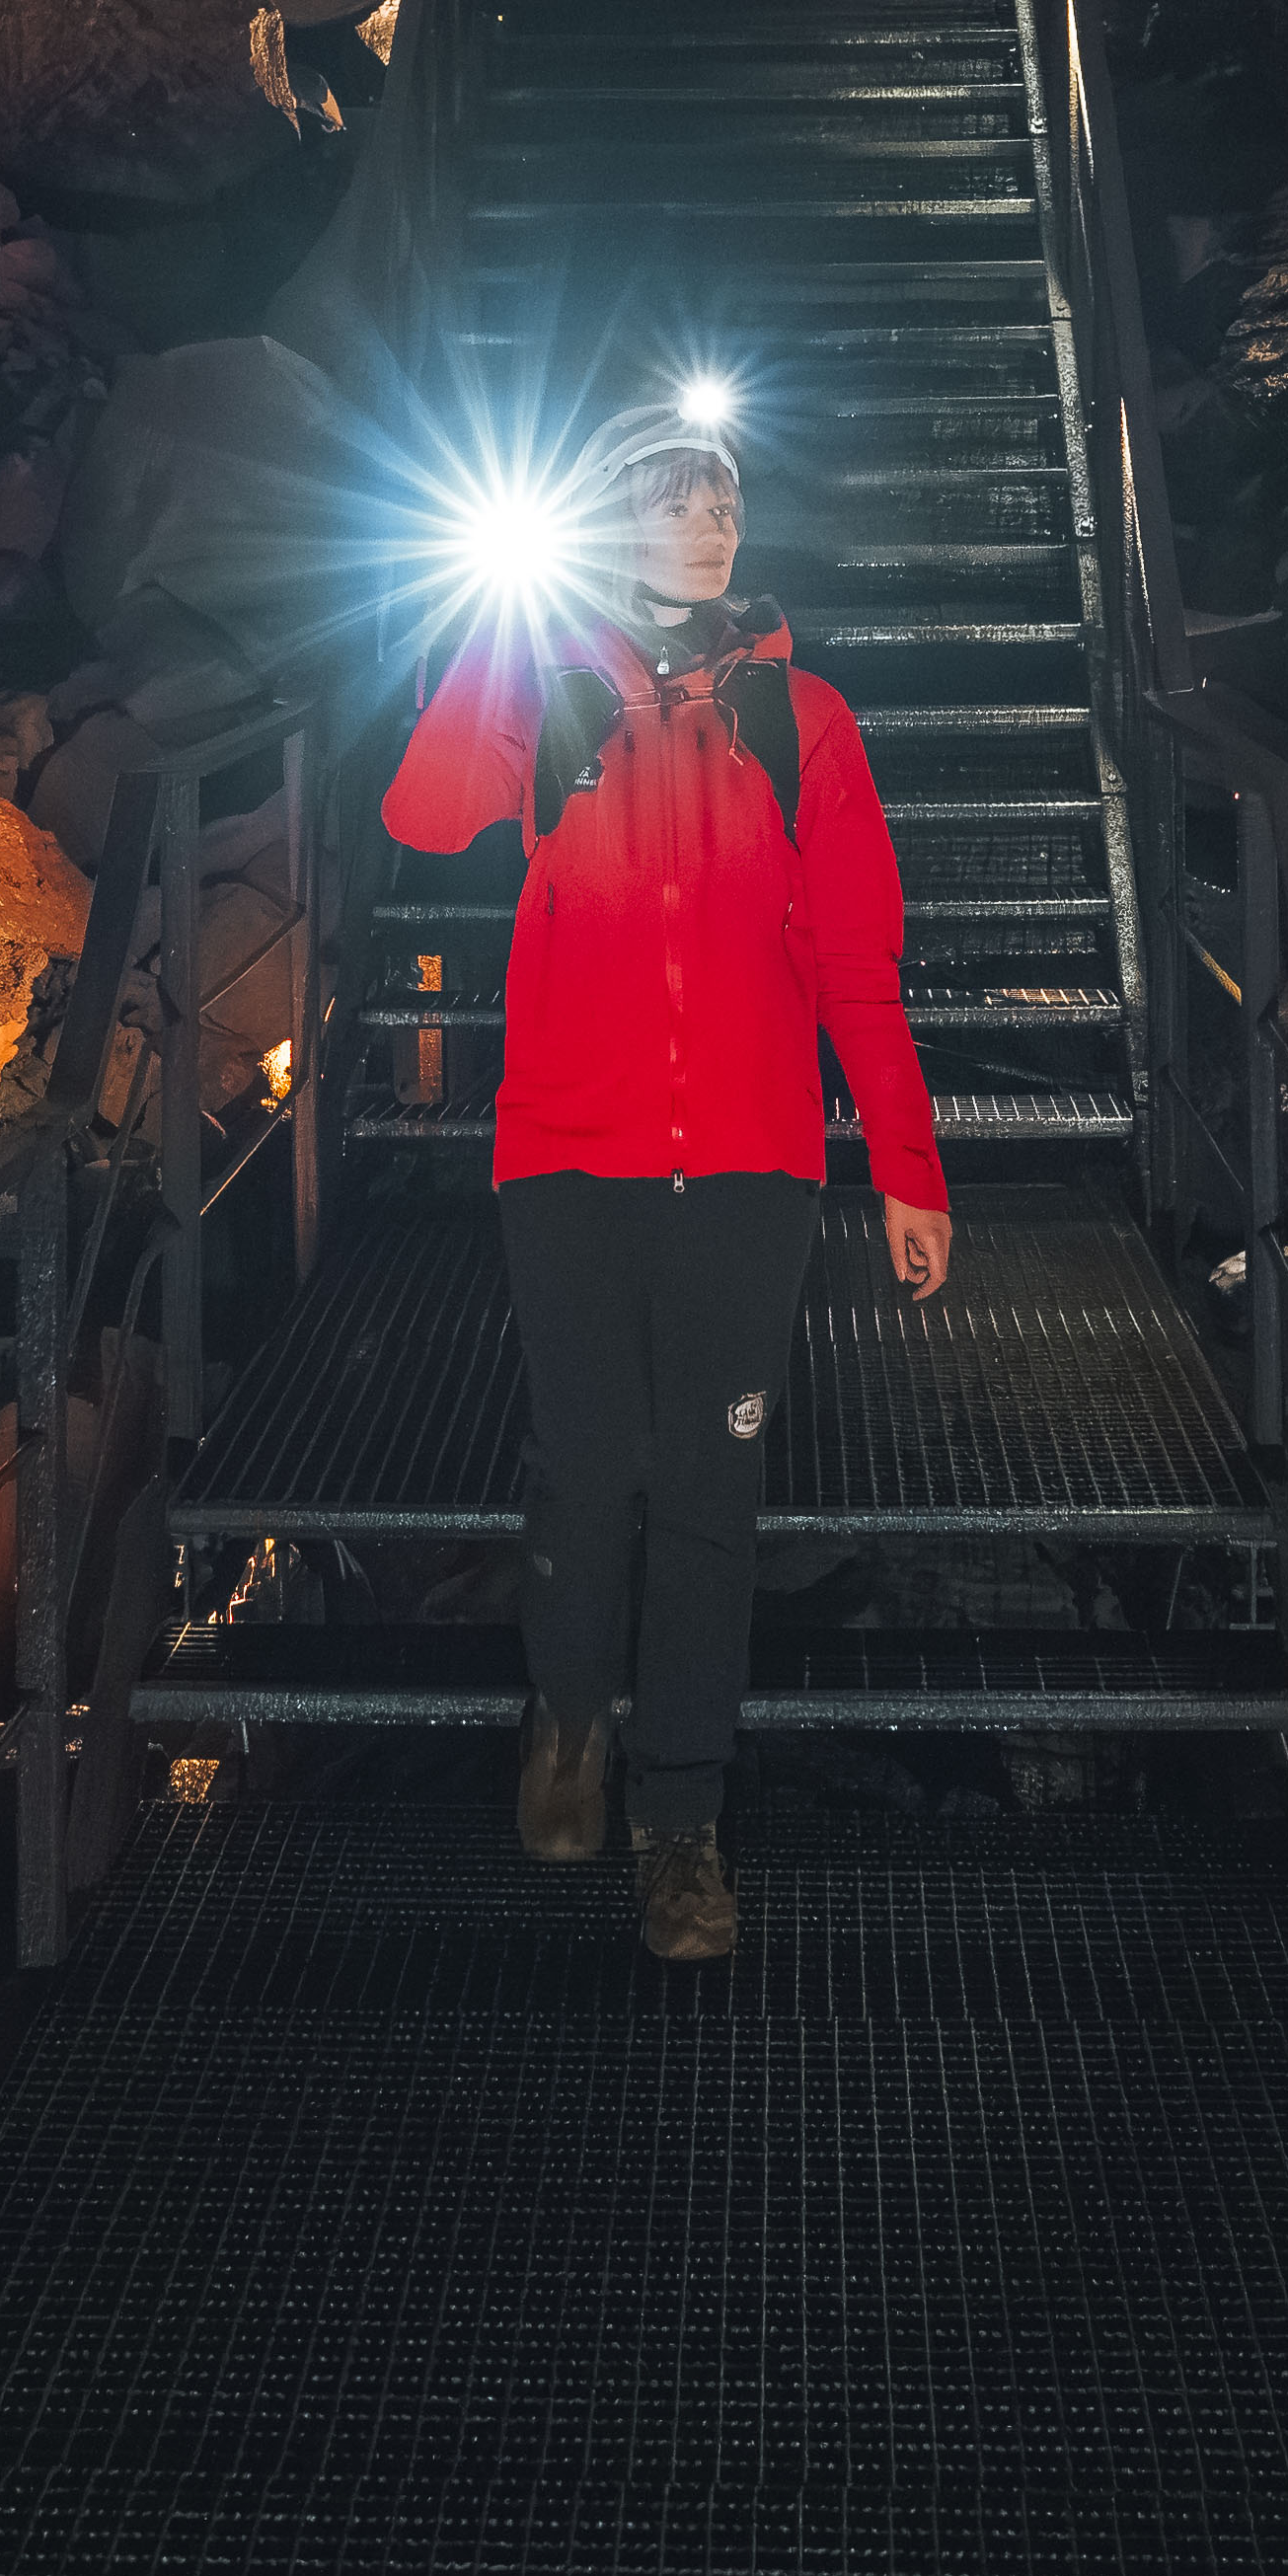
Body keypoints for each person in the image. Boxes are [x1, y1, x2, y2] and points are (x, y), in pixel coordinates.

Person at [377, 411, 948, 1959]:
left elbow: (854, 956)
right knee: (587, 1459)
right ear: (617, 518)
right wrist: (494, 640)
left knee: (711, 1484)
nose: (704, 519)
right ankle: (567, 1719)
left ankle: (681, 1818)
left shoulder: (803, 718)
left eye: (723, 496)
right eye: (671, 496)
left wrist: (906, 1164)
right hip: (567, 1144)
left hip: (755, 1157)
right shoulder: (547, 681)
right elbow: (422, 816)